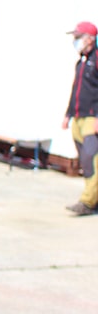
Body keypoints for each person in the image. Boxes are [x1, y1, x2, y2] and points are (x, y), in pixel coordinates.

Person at [63, 21, 98, 216]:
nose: (75, 41)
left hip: (92, 118)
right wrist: (68, 115)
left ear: (89, 39)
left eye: (78, 37)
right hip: (78, 117)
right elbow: (76, 91)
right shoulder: (81, 62)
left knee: (91, 159)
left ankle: (88, 202)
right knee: (85, 162)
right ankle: (93, 198)